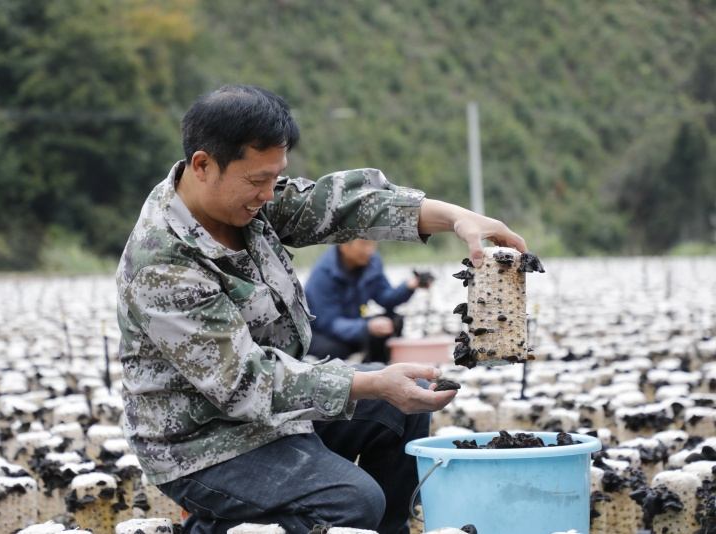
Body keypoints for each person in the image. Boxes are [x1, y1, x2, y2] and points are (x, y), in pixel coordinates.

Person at [116, 84, 527, 534]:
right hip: (204, 443)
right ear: (203, 165)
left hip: (276, 416)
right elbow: (245, 382)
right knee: (352, 501)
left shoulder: (249, 205)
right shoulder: (163, 263)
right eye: (257, 181)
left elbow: (343, 205)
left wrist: (457, 219)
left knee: (400, 413)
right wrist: (371, 383)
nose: (269, 194)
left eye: (276, 177)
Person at [304, 240, 433, 364]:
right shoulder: (323, 274)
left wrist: (409, 286)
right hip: (320, 332)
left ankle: (377, 369)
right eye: (363, 243)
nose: (370, 249)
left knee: (392, 322)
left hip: (353, 324)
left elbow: (385, 298)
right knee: (335, 350)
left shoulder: (372, 262)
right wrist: (366, 327)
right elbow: (330, 323)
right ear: (343, 245)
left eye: (372, 242)